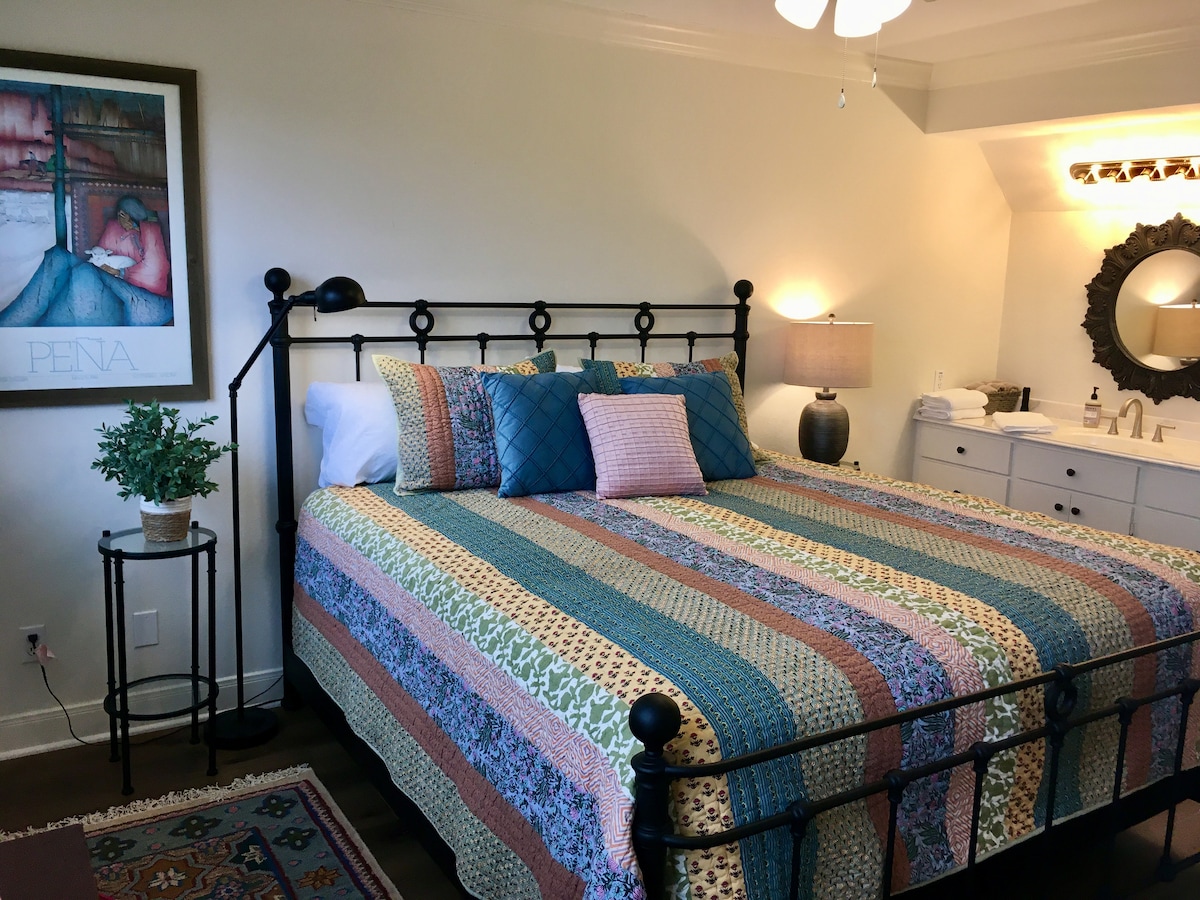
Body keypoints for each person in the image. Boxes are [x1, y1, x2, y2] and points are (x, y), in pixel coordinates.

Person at [0, 195, 173, 327]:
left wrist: (121, 272)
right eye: (121, 215)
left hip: (144, 301)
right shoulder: (114, 228)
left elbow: (155, 276)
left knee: (84, 274)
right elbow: (101, 256)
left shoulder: (150, 231)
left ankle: (35, 329)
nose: (123, 220)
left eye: (127, 216)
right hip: (112, 284)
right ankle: (11, 324)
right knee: (57, 257)